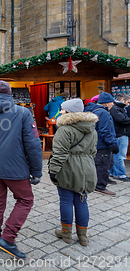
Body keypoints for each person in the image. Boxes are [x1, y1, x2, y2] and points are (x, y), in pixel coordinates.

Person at [0, 81, 42, 259]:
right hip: (16, 167)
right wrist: (36, 171)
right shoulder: (22, 113)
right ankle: (7, 238)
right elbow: (33, 144)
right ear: (10, 93)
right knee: (26, 200)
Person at [49, 99, 97, 247]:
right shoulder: (92, 128)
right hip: (87, 168)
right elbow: (94, 151)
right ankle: (83, 236)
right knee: (82, 201)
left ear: (69, 112)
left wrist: (53, 171)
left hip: (68, 167)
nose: (61, 112)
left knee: (66, 200)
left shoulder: (65, 129)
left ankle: (66, 233)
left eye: (63, 110)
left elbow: (60, 154)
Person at [85, 92, 119, 195]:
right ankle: (100, 186)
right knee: (103, 165)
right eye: (111, 102)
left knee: (102, 163)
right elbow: (105, 131)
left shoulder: (93, 111)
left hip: (95, 143)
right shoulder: (103, 113)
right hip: (102, 144)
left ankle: (99, 181)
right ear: (106, 103)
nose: (113, 104)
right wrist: (112, 144)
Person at [109, 94, 130, 182]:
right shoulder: (116, 108)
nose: (128, 104)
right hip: (120, 134)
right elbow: (122, 120)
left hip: (121, 134)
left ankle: (115, 172)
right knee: (120, 155)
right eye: (128, 102)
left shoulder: (118, 108)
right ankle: (120, 174)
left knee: (117, 155)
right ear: (122, 100)